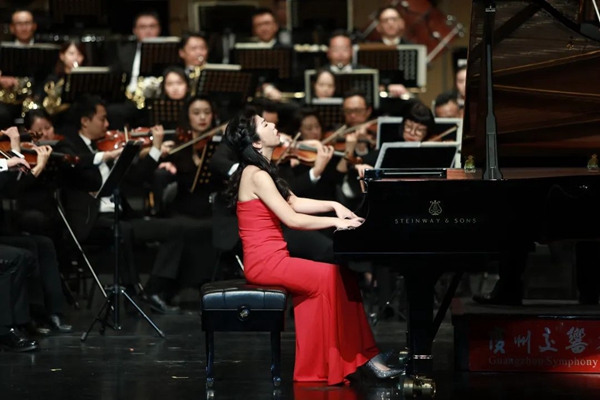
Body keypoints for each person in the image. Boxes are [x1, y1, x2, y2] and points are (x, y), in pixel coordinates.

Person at [222, 109, 403, 384]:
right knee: (331, 276)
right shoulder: (256, 175)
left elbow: (295, 202)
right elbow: (292, 219)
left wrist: (335, 205)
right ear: (256, 142)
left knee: (342, 275)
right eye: (265, 124)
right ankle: (356, 359)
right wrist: (336, 222)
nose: (273, 125)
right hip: (265, 264)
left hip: (275, 259)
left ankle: (364, 354)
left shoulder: (262, 170)